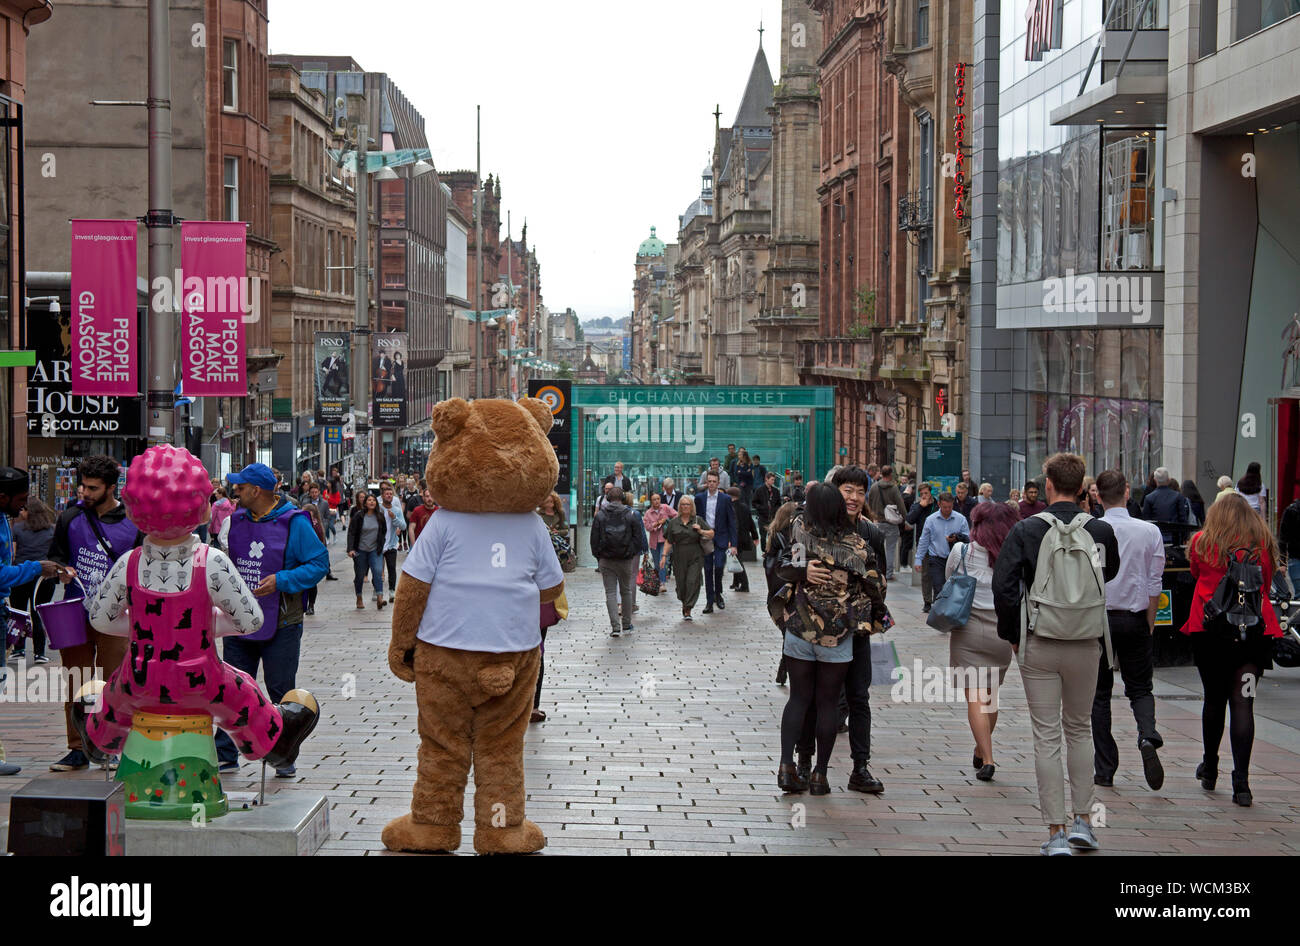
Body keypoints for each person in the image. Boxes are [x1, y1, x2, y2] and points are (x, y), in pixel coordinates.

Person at [992, 453, 1120, 855]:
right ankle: (1085, 821)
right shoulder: (1100, 530)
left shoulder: (1027, 529)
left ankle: (1056, 833)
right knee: (1079, 729)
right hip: (1086, 640)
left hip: (1041, 640)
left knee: (1046, 735)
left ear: (1048, 484)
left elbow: (1004, 586)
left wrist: (1013, 635)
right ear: (1083, 487)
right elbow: (1109, 572)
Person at [772, 483, 888, 795]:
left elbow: (783, 567)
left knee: (798, 699)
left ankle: (787, 765)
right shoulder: (855, 544)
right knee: (827, 703)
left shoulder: (801, 536)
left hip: (800, 629)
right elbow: (877, 584)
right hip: (838, 635)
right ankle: (820, 775)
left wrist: (802, 569)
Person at [217, 462, 330, 776]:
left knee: (281, 690)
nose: (234, 491)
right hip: (238, 619)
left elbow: (319, 563)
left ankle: (283, 754)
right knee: (233, 687)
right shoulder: (235, 519)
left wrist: (282, 579)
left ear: (257, 490)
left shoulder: (295, 522)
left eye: (240, 487)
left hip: (282, 621)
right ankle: (225, 753)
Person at [1182, 493, 1283, 807]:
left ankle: (1210, 767)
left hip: (1211, 631)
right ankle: (1242, 783)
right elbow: (1265, 586)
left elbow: (1196, 574)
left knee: (1213, 698)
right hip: (1253, 635)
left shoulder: (1202, 542)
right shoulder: (1263, 545)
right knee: (1244, 702)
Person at [47, 455, 142, 772]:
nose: (84, 492)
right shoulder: (70, 516)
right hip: (74, 610)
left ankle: (112, 745)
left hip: (117, 615)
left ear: (111, 487)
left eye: (92, 487)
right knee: (76, 680)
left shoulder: (133, 521)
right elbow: (56, 556)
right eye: (83, 485)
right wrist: (61, 570)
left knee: (114, 682)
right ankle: (77, 748)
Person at [1091, 470, 1166, 792]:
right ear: (1125, 491)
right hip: (1134, 616)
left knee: (1099, 695)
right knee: (1140, 687)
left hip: (1098, 618)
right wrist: (1149, 621)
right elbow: (1154, 583)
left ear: (1097, 496)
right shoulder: (1149, 531)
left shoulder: (1090, 531)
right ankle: (1147, 733)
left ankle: (1105, 767)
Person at [0, 470, 75, 776]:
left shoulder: (6, 520)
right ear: (3, 497)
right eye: (19, 500)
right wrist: (35, 568)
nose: (23, 507)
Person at [946, 501, 1018, 781]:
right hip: (1002, 632)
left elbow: (949, 580)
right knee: (990, 697)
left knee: (974, 698)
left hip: (968, 631)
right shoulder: (1012, 557)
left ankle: (987, 757)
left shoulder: (961, 551)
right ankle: (981, 749)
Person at [7, 499, 57, 663]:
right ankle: (39, 653)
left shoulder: (18, 529)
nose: (21, 512)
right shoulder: (52, 530)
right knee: (39, 614)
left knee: (19, 612)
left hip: (21, 574)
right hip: (44, 577)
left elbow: (12, 554)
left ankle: (19, 650)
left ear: (30, 512)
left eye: (24, 510)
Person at [590, 487, 642, 637]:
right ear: (623, 498)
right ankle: (626, 624)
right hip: (625, 559)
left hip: (606, 559)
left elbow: (594, 540)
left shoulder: (600, 515)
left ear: (607, 498)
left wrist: (599, 557)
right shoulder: (631, 514)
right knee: (626, 591)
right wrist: (630, 553)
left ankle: (615, 627)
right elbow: (637, 539)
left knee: (610, 593)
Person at [914, 492, 970, 611]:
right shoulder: (930, 520)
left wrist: (957, 537)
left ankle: (949, 608)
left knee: (953, 586)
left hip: (955, 558)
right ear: (939, 504)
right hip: (936, 557)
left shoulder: (961, 519)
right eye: (945, 507)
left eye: (950, 507)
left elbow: (968, 537)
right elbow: (924, 540)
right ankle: (940, 610)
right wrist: (918, 559)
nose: (947, 510)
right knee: (938, 584)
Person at [695, 471, 737, 614]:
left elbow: (731, 521)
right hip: (706, 537)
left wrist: (734, 543)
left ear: (718, 483)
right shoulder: (699, 498)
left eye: (714, 481)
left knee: (719, 566)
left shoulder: (725, 499)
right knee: (707, 570)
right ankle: (709, 601)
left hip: (721, 537)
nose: (711, 483)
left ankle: (718, 593)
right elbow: (697, 519)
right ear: (706, 482)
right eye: (709, 481)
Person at [663, 495, 708, 620]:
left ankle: (688, 608)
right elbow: (668, 541)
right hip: (679, 555)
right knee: (681, 583)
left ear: (692, 506)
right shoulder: (673, 522)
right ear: (679, 507)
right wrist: (663, 556)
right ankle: (684, 602)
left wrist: (701, 531)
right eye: (683, 504)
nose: (685, 507)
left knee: (692, 581)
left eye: (687, 504)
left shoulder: (698, 520)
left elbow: (711, 533)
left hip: (695, 555)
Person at [866, 464, 906, 580]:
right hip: (891, 523)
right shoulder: (894, 488)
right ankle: (888, 573)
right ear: (891, 474)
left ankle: (876, 571)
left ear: (882, 474)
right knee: (890, 549)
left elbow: (870, 503)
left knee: (876, 548)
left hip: (877, 522)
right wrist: (905, 518)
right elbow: (901, 505)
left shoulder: (874, 487)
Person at [349, 493, 387, 610]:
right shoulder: (359, 516)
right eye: (369, 500)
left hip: (375, 550)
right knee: (360, 575)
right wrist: (350, 549)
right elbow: (351, 532)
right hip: (360, 550)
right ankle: (359, 598)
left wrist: (381, 544)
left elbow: (383, 531)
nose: (371, 502)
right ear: (365, 503)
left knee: (377, 571)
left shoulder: (380, 516)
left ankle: (380, 598)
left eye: (373, 500)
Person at [907, 482, 939, 607]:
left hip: (937, 543)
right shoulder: (917, 506)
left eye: (926, 493)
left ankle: (937, 599)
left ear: (931, 492)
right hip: (923, 544)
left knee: (937, 574)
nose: (924, 496)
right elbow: (909, 520)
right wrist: (920, 506)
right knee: (926, 574)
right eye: (922, 494)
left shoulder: (937, 505)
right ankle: (927, 601)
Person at [1141, 467, 1192, 541]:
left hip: (1156, 538)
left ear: (1155, 480)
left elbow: (1146, 521)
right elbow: (1183, 520)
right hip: (1174, 538)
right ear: (1168, 480)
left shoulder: (1149, 498)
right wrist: (1184, 538)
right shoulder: (1178, 496)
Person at [727, 486, 759, 592]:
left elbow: (733, 526)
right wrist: (755, 536)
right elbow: (751, 523)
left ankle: (745, 585)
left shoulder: (730, 507)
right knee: (736, 559)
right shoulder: (744, 506)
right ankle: (736, 582)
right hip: (744, 537)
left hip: (736, 538)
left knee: (738, 561)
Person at [642, 493, 677, 584]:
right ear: (651, 501)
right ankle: (658, 580)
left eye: (658, 499)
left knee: (663, 561)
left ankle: (662, 582)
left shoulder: (665, 507)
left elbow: (676, 515)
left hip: (665, 540)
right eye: (654, 499)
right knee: (657, 564)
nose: (657, 501)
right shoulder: (648, 513)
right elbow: (648, 527)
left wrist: (669, 522)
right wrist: (657, 523)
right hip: (654, 542)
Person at [379, 482, 407, 599]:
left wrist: (394, 518)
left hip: (391, 544)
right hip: (378, 544)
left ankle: (391, 591)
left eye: (391, 494)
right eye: (387, 494)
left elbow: (403, 526)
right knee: (377, 569)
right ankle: (378, 591)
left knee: (391, 568)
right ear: (383, 496)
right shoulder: (378, 508)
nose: (389, 496)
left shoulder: (396, 510)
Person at [753, 470, 782, 537]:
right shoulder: (759, 490)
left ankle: (770, 548)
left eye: (774, 480)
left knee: (772, 536)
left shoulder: (776, 491)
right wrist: (761, 508)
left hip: (773, 517)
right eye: (772, 480)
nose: (773, 481)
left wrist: (775, 509)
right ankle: (764, 548)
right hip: (762, 517)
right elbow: (754, 503)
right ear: (766, 479)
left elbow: (779, 503)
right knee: (763, 537)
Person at [1280, 493, 1300, 590]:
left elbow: (1283, 539)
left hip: (1295, 556)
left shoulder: (1290, 510)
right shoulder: (1291, 511)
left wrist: (1282, 563)